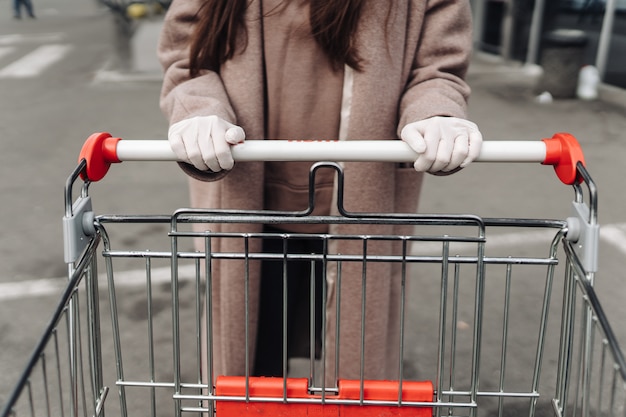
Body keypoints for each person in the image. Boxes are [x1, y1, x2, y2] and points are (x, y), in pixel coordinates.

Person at [158, 0, 483, 382]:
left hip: (361, 203)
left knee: (354, 358)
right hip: (249, 200)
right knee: (249, 360)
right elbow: (189, 58)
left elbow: (436, 70)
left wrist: (436, 113)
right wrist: (199, 112)